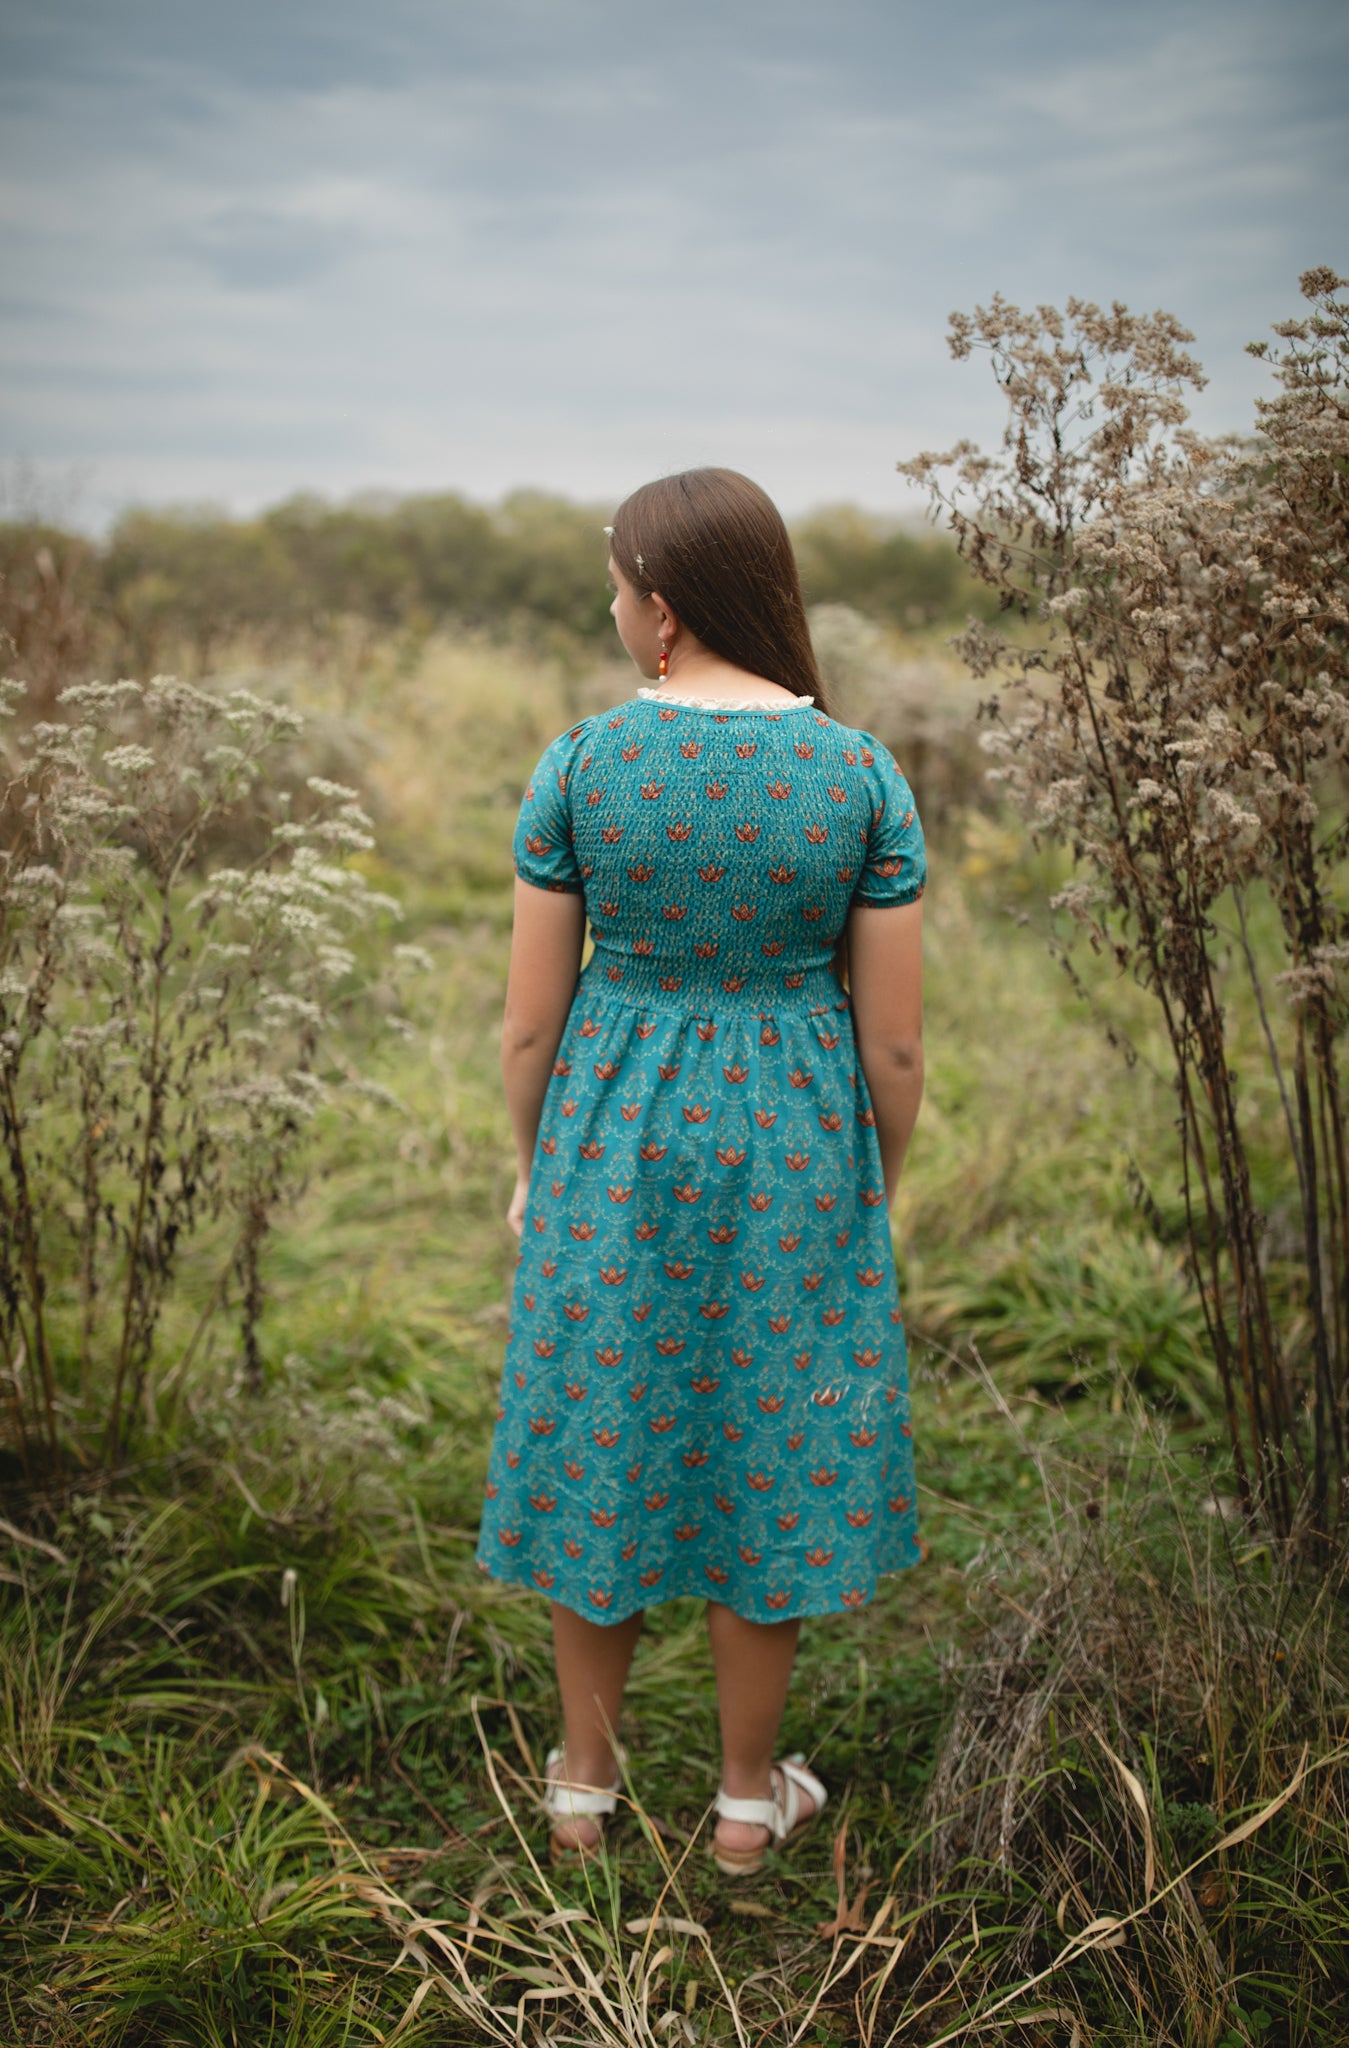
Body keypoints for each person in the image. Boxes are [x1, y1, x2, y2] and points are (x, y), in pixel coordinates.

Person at [475, 467, 925, 1874]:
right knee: (769, 1447)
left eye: (616, 584)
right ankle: (743, 1804)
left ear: (659, 608)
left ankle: (582, 1788)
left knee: (603, 1420)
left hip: (613, 1138)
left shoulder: (584, 766)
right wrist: (876, 1186)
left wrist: (532, 1165)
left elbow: (528, 1021)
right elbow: (895, 1051)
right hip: (796, 1150)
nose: (612, 608)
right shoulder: (856, 774)